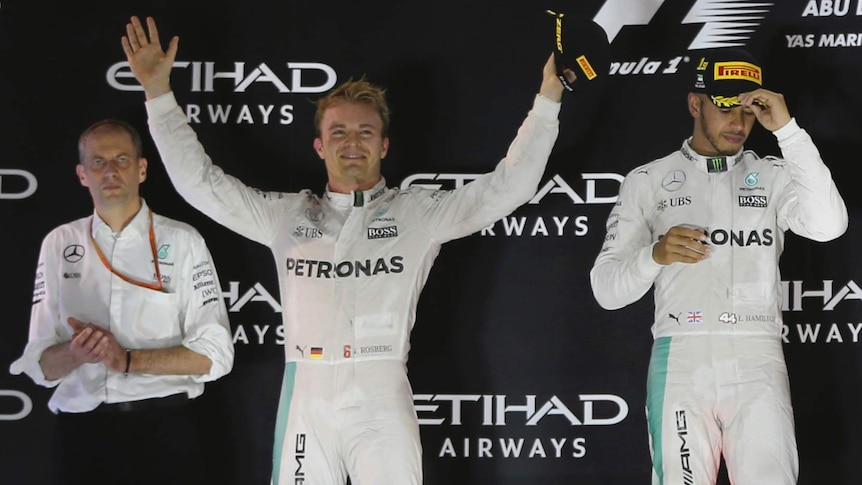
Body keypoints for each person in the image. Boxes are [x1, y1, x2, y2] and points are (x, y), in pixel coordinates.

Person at [121, 14, 565, 485]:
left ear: (385, 145)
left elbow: (508, 187)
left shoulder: (419, 213)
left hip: (381, 397)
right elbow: (200, 185)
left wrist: (548, 100)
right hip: (306, 397)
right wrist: (158, 94)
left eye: (365, 132)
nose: (351, 143)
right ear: (318, 146)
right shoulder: (285, 216)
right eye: (338, 133)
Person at [590, 48, 847, 484]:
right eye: (727, 107)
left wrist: (787, 130)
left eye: (749, 109)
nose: (739, 123)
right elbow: (606, 291)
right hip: (681, 358)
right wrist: (656, 255)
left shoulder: (774, 174)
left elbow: (829, 226)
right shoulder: (648, 180)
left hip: (757, 357)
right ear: (696, 103)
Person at [9, 119, 235, 485]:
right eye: (98, 162)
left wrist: (128, 360)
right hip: (82, 434)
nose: (110, 170)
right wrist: (76, 354)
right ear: (82, 174)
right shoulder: (58, 243)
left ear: (142, 169)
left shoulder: (183, 241)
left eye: (121, 160)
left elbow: (217, 355)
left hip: (163, 431)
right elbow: (41, 366)